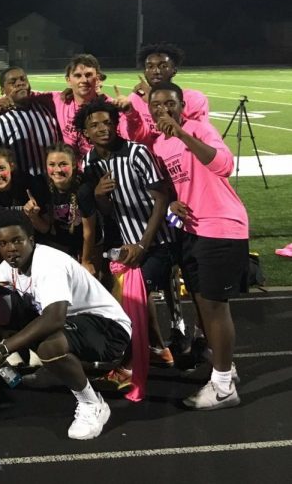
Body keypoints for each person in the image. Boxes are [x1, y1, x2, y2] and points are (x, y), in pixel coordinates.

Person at [0, 210, 131, 440]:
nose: (10, 249)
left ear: (31, 241)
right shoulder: (7, 268)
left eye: (17, 241)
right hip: (76, 323)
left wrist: (5, 347)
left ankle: (93, 405)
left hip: (109, 329)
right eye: (3, 243)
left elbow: (54, 318)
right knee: (1, 301)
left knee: (49, 346)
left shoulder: (48, 263)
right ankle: (57, 370)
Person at [148, 82, 248, 409]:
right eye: (157, 105)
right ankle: (225, 371)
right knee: (204, 306)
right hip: (191, 230)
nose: (163, 110)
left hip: (220, 225)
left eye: (170, 103)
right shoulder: (159, 146)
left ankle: (222, 388)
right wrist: (175, 204)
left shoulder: (199, 129)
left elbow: (224, 166)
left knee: (216, 307)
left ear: (181, 106)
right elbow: (175, 188)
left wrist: (183, 134)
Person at [76, 98, 176, 379]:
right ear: (86, 133)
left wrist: (144, 244)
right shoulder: (89, 161)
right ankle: (157, 349)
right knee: (127, 297)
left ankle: (132, 364)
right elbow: (108, 210)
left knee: (130, 297)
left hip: (156, 242)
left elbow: (161, 199)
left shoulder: (136, 153)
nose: (102, 128)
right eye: (94, 125)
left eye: (107, 122)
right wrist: (98, 195)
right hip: (124, 245)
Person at [0, 66, 61, 180]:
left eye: (23, 79)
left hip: (51, 182)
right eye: (13, 82)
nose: (20, 83)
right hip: (21, 186)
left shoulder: (46, 108)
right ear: (2, 90)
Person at [40, 143, 98, 274]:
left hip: (86, 246)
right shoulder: (41, 185)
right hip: (59, 247)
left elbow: (89, 231)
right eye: (52, 164)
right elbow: (44, 229)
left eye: (63, 164)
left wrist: (86, 261)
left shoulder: (83, 189)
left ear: (73, 165)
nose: (57, 169)